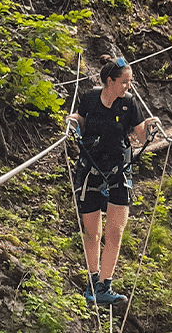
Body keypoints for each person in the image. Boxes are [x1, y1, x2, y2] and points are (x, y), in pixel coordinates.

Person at [67, 56, 160, 305]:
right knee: (92, 232)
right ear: (110, 81)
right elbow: (82, 121)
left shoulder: (129, 104)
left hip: (119, 170)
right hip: (91, 168)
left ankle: (104, 285)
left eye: (129, 82)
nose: (128, 87)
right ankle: (92, 281)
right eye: (124, 82)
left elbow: (140, 136)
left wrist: (149, 128)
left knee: (116, 232)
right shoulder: (89, 99)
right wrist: (74, 123)